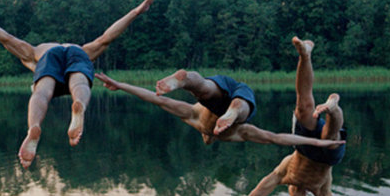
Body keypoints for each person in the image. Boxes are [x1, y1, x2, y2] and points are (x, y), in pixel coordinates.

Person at [0, 0, 158, 168]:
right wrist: (136, 12)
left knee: (41, 93)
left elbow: (2, 35)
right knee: (80, 83)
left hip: (47, 59)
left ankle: (34, 127)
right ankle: (80, 104)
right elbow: (107, 37)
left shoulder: (35, 53)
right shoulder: (81, 49)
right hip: (78, 53)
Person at [237, 37, 346, 196]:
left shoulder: (283, 171)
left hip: (304, 147)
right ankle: (333, 107)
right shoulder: (321, 189)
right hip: (327, 158)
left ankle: (305, 55)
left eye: (292, 195)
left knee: (304, 107)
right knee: (331, 136)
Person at [95, 72, 345, 148]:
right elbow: (156, 99)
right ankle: (187, 81)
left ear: (207, 136)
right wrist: (120, 85)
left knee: (208, 96)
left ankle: (226, 110)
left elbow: (276, 138)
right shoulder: (198, 120)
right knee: (202, 88)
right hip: (228, 94)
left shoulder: (195, 118)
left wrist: (122, 85)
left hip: (229, 102)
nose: (208, 137)